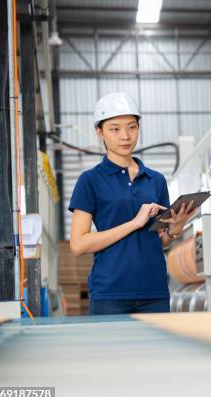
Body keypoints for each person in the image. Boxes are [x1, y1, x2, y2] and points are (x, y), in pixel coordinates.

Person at [68, 92, 196, 315]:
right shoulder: (90, 181)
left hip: (154, 291)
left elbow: (158, 240)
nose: (125, 136)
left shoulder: (155, 180)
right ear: (100, 132)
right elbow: (78, 245)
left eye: (132, 127)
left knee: (157, 351)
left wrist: (175, 230)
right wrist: (135, 222)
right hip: (110, 293)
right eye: (115, 129)